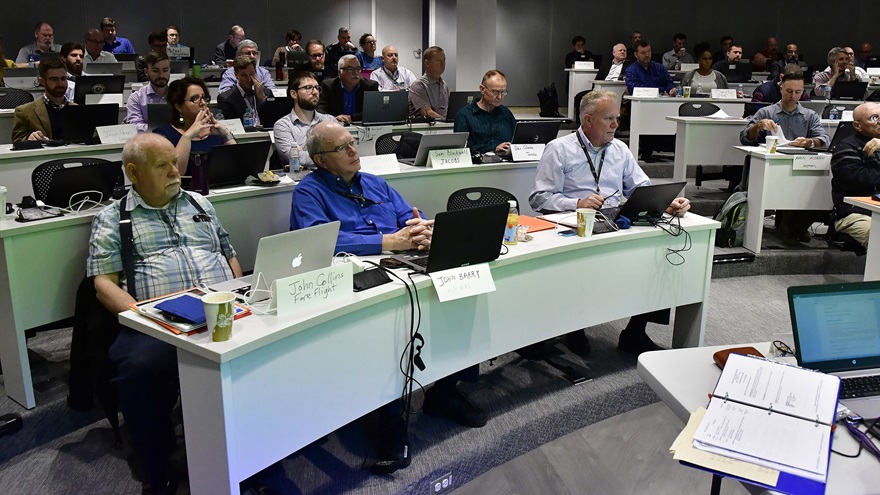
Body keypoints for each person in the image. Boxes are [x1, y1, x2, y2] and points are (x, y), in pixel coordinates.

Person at [291, 121, 487, 447]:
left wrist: (421, 229)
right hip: (357, 278)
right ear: (321, 159)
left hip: (403, 266)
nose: (354, 150)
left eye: (352, 142)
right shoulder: (309, 192)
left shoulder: (375, 183)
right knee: (393, 323)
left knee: (461, 290)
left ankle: (445, 391)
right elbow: (318, 241)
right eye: (342, 147)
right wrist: (386, 242)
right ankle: (389, 415)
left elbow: (408, 215)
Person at [88, 132, 243, 494]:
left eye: (175, 161)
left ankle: (255, 451)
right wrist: (143, 318)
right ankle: (157, 468)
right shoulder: (115, 218)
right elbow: (103, 283)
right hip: (158, 323)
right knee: (138, 369)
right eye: (163, 165)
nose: (176, 170)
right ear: (133, 172)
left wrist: (238, 295)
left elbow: (229, 252)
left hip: (223, 309)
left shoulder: (199, 203)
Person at [528, 90, 691, 354]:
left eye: (617, 118)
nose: (616, 124)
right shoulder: (559, 149)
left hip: (616, 222)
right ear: (588, 120)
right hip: (575, 226)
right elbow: (539, 198)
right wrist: (577, 203)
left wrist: (664, 203)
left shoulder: (620, 149)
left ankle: (635, 332)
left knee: (660, 256)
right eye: (609, 119)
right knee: (584, 270)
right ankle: (574, 327)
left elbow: (641, 186)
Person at [740, 70, 830, 245]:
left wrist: (810, 142)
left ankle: (795, 225)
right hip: (771, 168)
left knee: (823, 188)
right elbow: (744, 137)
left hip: (801, 166)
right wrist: (758, 126)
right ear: (781, 88)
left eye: (798, 92)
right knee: (788, 184)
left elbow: (825, 139)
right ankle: (791, 227)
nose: (793, 96)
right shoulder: (767, 112)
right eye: (789, 91)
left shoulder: (809, 115)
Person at [153, 76, 236, 175]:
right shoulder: (163, 135)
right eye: (194, 98)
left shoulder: (215, 132)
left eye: (204, 97)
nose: (203, 103)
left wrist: (226, 135)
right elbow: (176, 174)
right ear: (179, 107)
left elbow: (238, 165)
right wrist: (188, 136)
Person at [830, 102, 880, 247]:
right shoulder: (845, 148)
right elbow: (857, 180)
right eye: (874, 118)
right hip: (855, 214)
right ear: (858, 126)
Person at [273, 70, 335, 168]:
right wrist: (329, 154)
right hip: (300, 180)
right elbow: (293, 158)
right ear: (294, 94)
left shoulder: (330, 121)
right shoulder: (283, 125)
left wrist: (302, 153)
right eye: (308, 88)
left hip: (329, 177)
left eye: (317, 88)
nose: (315, 92)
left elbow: (342, 152)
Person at [453, 69, 516, 156]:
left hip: (506, 163)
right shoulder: (465, 115)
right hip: (477, 165)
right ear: (482, 89)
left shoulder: (506, 113)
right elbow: (462, 147)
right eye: (495, 92)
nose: (500, 97)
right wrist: (493, 149)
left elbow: (516, 139)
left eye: (503, 92)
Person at [12, 57, 71, 142]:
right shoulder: (24, 112)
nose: (60, 83)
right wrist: (29, 139)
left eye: (63, 78)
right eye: (54, 79)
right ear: (42, 81)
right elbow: (17, 142)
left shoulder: (77, 110)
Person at [316, 54, 379, 124]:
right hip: (335, 126)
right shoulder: (328, 86)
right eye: (350, 69)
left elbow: (373, 111)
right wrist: (334, 119)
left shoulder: (370, 86)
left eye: (358, 68)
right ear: (340, 73)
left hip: (361, 127)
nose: (355, 73)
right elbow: (320, 110)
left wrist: (351, 117)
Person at [125, 52, 170, 132]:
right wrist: (163, 130)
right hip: (148, 142)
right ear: (146, 72)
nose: (161, 75)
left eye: (165, 70)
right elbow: (135, 125)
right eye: (155, 71)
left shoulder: (179, 95)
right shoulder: (136, 98)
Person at [217, 55, 267, 125]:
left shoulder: (266, 93)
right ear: (236, 75)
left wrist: (262, 99)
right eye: (243, 75)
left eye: (252, 74)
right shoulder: (225, 98)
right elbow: (232, 126)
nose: (249, 79)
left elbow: (272, 118)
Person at [408, 46, 449, 119]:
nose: (443, 64)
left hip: (444, 127)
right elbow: (427, 113)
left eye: (444, 60)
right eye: (438, 60)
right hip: (425, 129)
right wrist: (449, 122)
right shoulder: (418, 85)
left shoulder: (444, 85)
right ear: (427, 63)